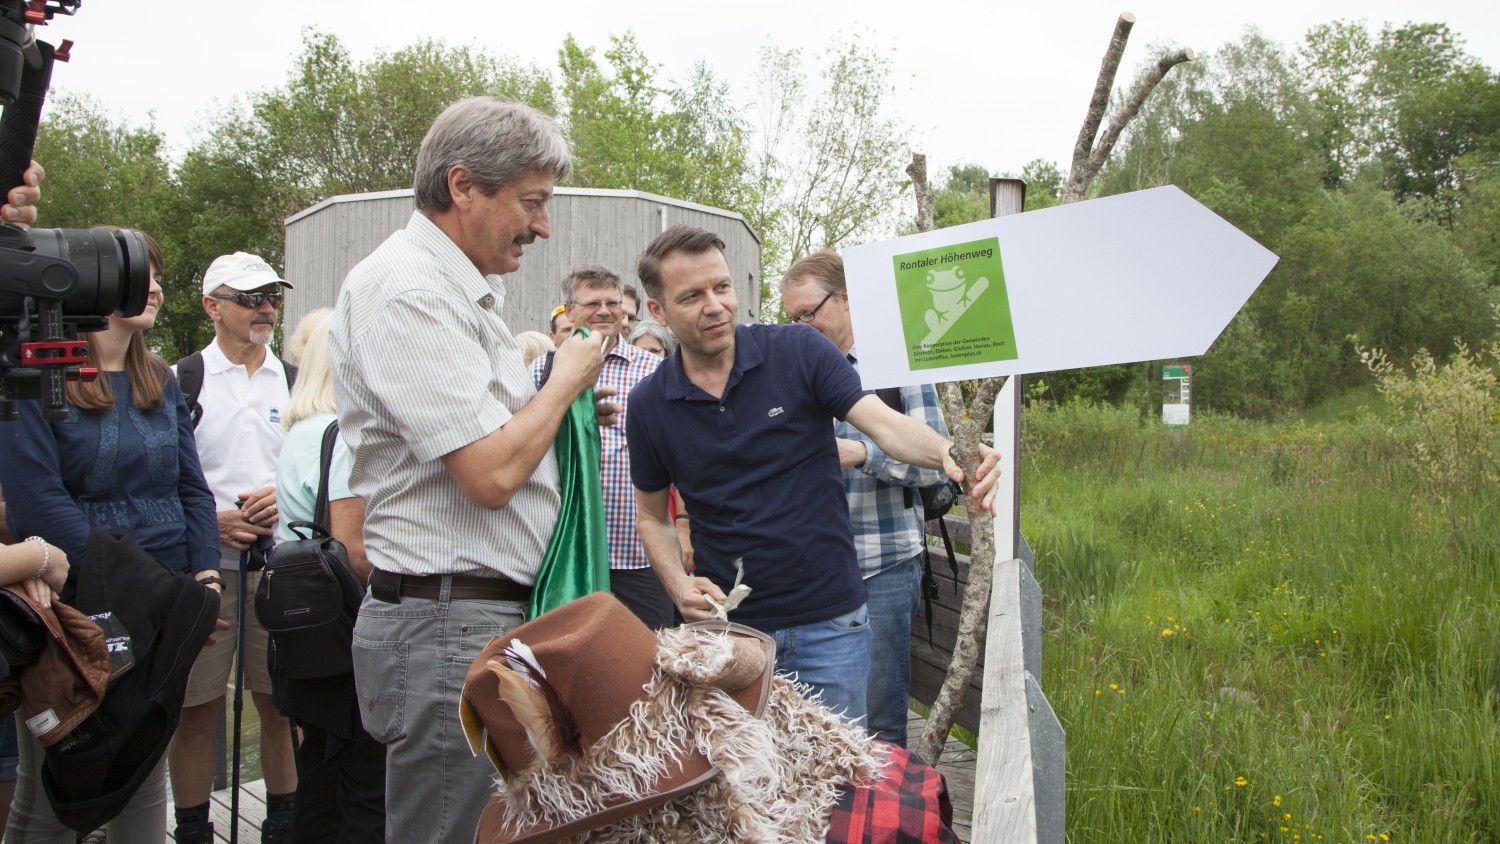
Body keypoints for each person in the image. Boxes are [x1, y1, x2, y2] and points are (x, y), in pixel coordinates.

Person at [327, 96, 612, 842]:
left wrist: (566, 421)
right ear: (463, 187)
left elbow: (499, 443)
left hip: (473, 619)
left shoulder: (455, 292)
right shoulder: (408, 291)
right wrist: (563, 384)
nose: (543, 226)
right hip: (448, 625)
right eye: (532, 202)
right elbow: (487, 475)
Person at [626, 225, 1002, 725]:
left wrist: (950, 452)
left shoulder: (799, 350)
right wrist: (676, 583)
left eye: (722, 287)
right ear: (658, 311)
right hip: (731, 633)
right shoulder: (650, 404)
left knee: (839, 786)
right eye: (692, 296)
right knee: (746, 785)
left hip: (832, 624)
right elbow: (651, 515)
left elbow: (885, 425)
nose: (715, 305)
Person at [0, 229, 220, 843]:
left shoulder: (162, 379)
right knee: (53, 792)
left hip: (165, 600)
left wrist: (203, 578)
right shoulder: (31, 370)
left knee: (145, 777)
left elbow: (192, 488)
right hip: (75, 606)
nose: (152, 286)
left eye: (155, 274)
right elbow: (36, 501)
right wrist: (133, 589)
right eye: (135, 273)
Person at [780, 249, 950, 747]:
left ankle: (882, 821)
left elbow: (936, 459)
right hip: (811, 568)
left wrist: (861, 452)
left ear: (848, 298)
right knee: (817, 719)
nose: (802, 327)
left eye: (809, 313)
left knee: (878, 720)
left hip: (883, 567)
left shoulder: (896, 364)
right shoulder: (793, 370)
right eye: (792, 319)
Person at [169, 251, 299, 844]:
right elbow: (160, 481)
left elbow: (321, 474)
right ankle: (194, 830)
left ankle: (284, 823)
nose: (265, 308)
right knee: (195, 710)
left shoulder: (296, 379)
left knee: (279, 708)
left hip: (278, 572)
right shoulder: (179, 380)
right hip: (207, 576)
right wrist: (207, 520)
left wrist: (286, 496)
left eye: (271, 295)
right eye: (249, 297)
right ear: (211, 306)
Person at [271, 309, 385, 842]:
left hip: (304, 634)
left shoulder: (301, 430)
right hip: (345, 629)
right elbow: (352, 546)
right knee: (365, 779)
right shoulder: (343, 436)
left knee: (319, 766)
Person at [529, 265, 669, 627]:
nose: (605, 311)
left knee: (649, 664)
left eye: (613, 302)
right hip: (566, 552)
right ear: (570, 311)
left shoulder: (654, 371)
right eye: (593, 303)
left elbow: (676, 453)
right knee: (570, 666)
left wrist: (682, 528)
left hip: (636, 552)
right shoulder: (542, 371)